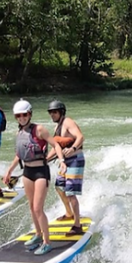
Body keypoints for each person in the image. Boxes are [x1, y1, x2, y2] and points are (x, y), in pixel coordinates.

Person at [3, 99, 66, 256]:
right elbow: (19, 154)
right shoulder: (19, 133)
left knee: (38, 208)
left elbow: (56, 145)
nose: (22, 118)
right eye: (18, 116)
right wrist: (9, 171)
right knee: (31, 207)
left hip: (40, 172)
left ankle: (47, 242)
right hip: (27, 173)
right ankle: (38, 235)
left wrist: (62, 161)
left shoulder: (39, 130)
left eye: (24, 115)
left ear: (29, 114)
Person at [46, 100, 85, 236]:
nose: (52, 115)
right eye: (50, 112)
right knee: (59, 187)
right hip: (65, 162)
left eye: (54, 112)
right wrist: (44, 160)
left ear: (61, 112)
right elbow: (55, 148)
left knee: (70, 192)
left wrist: (73, 148)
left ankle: (77, 225)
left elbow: (80, 137)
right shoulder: (56, 128)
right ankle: (69, 213)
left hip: (75, 160)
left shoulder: (68, 122)